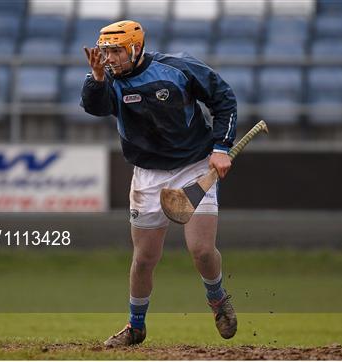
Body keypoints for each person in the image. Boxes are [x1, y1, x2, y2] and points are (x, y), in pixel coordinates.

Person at [81, 20, 238, 347]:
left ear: (135, 48)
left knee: (202, 250)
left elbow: (223, 98)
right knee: (144, 258)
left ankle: (217, 299)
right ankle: (135, 326)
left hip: (194, 167)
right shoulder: (106, 78)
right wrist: (97, 79)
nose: (109, 58)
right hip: (147, 176)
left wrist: (221, 147)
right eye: (105, 51)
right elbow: (94, 107)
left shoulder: (177, 68)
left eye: (116, 51)